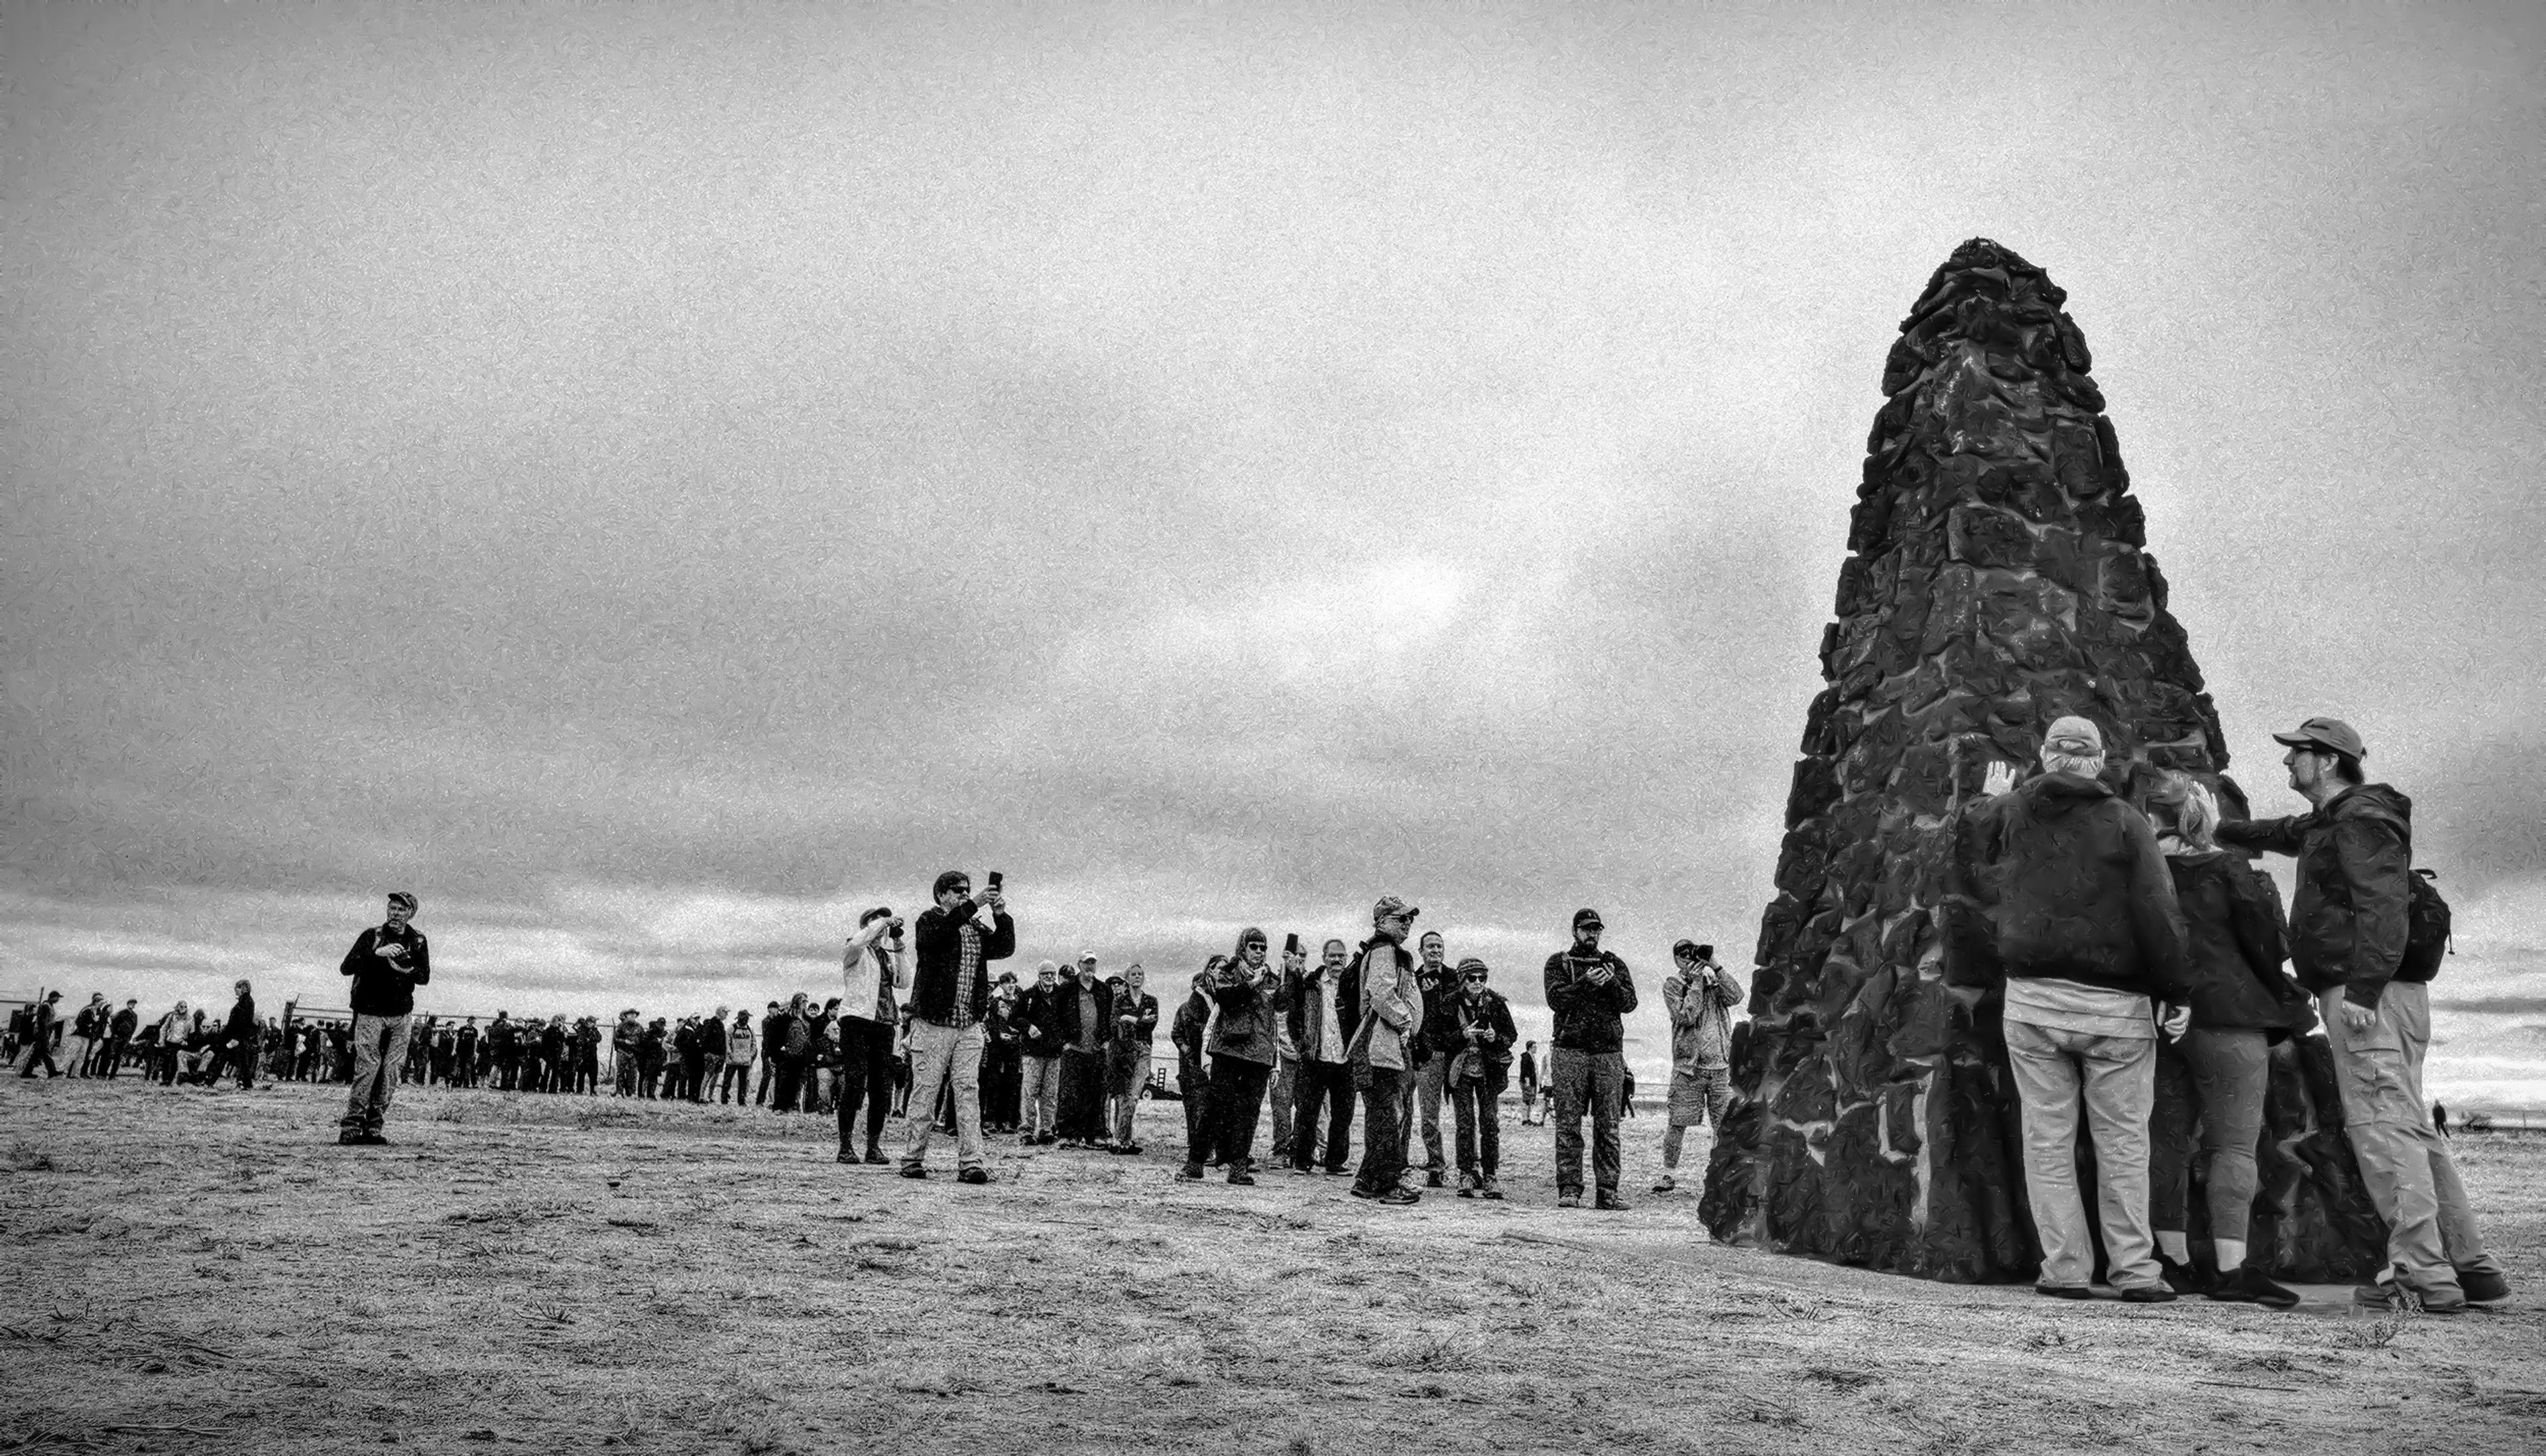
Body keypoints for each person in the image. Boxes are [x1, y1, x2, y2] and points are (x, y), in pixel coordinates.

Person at [2214, 716, 2511, 1313]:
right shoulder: (2335, 821)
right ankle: (2470, 1267)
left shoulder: (2362, 820)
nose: (2286, 763)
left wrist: (2363, 992)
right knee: (2411, 1131)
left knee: (2382, 1135)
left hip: (2369, 997)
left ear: (2326, 760)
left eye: (2295, 754)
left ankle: (2421, 1277)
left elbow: (2383, 906)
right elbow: (2282, 831)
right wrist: (2217, 825)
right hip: (2379, 995)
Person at [1959, 717, 2191, 1302]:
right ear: (2097, 762)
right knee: (2123, 1145)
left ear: (2044, 757)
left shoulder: (2011, 810)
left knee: (2047, 1140)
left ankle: (2064, 1270)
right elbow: (2158, 910)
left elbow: (1970, 849)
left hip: (2033, 1001)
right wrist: (2177, 991)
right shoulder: (2126, 822)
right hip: (2116, 1009)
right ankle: (2136, 1272)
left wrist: (1984, 800)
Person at [2139, 773, 2315, 1308]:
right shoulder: (2234, 872)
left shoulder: (2141, 876)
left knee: (2162, 1142)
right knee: (2233, 1147)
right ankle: (2231, 1269)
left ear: (2151, 820)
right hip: (2232, 1017)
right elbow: (2270, 946)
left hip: (2156, 1018)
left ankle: (2171, 1261)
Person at [901, 870, 1013, 1183]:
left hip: (969, 1024)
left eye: (967, 890)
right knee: (926, 1091)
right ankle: (912, 1158)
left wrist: (1001, 916)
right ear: (941, 894)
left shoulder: (974, 926)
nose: (965, 894)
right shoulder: (930, 921)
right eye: (957, 890)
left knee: (968, 1092)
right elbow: (934, 939)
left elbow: (1004, 948)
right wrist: (974, 905)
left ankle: (971, 1161)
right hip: (933, 1023)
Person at [1544, 908, 1638, 1211]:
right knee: (1568, 1124)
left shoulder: (1614, 963)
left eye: (1596, 929)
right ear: (1575, 931)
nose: (1592, 934)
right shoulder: (1558, 962)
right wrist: (1586, 983)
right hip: (1569, 1050)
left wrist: (1610, 983)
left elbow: (1630, 1003)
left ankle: (1607, 1192)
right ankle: (1569, 1189)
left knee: (1609, 1125)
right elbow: (1556, 1000)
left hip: (1608, 1053)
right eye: (1586, 929)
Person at [1182, 933, 1281, 1185]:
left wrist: (1292, 975)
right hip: (1228, 1052)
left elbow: (1284, 1005)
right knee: (1216, 1109)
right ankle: (1195, 1163)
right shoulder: (1227, 972)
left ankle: (1238, 1168)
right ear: (1243, 948)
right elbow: (1226, 1000)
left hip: (1259, 1055)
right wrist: (1251, 984)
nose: (1259, 951)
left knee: (1248, 1114)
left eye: (1263, 948)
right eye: (1254, 947)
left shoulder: (1273, 979)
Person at [336, 892, 431, 1146]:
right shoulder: (372, 936)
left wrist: (406, 968)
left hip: (401, 1015)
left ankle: (374, 1127)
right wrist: (378, 953)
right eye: (392, 908)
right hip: (370, 1013)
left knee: (390, 1072)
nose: (395, 913)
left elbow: (424, 977)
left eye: (401, 909)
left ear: (411, 913)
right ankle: (352, 1126)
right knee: (367, 1068)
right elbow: (346, 967)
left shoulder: (418, 941)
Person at [1349, 898, 1422, 1205]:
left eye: (1409, 920)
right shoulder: (1383, 950)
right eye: (1400, 919)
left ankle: (1368, 1180)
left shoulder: (1391, 952)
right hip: (1378, 1047)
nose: (1407, 924)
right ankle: (1389, 1183)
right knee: (1388, 1116)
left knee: (1383, 1115)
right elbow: (1380, 993)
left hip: (1386, 1048)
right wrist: (1405, 1021)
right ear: (1381, 922)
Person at [1654, 942, 1742, 1194]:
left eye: (1692, 955)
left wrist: (1715, 966)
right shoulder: (1673, 985)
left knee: (1723, 1125)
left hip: (1720, 1068)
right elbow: (1686, 1016)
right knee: (1678, 1122)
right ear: (1675, 960)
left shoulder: (1712, 981)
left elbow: (1736, 996)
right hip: (1688, 1069)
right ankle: (1669, 1175)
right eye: (1682, 956)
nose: (1688, 959)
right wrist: (1695, 984)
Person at [837, 908, 906, 1165]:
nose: (881, 930)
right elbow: (859, 940)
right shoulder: (854, 950)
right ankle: (845, 1145)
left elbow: (904, 981)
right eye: (875, 923)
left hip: (884, 1024)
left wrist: (899, 946)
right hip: (857, 1021)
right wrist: (883, 921)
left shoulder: (886, 957)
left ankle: (873, 1147)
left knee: (882, 1089)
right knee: (855, 1082)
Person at [1445, 957, 1517, 1199]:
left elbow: (1511, 1035)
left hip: (1489, 1073)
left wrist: (1495, 1037)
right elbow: (1436, 1037)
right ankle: (1466, 1173)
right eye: (1472, 978)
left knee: (1490, 1124)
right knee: (1465, 1125)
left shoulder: (1496, 1003)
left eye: (1482, 978)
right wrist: (1461, 1035)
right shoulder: (1450, 1003)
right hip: (1461, 1072)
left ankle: (1490, 1176)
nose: (1478, 982)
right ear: (1462, 980)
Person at [1286, 938, 1359, 1174]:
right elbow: (1293, 1015)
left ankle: (1335, 1162)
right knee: (1307, 1112)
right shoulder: (1310, 983)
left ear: (1346, 959)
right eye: (1332, 956)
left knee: (1343, 1114)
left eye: (1341, 956)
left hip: (1345, 1058)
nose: (1337, 960)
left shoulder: (1353, 985)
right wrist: (1302, 1047)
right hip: (1316, 1057)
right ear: (1324, 958)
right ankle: (1302, 1161)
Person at [1409, 931, 1458, 1189]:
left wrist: (1436, 995)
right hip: (1419, 1054)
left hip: (1446, 1054)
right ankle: (1423, 1165)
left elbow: (1455, 1014)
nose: (1435, 951)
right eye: (1430, 947)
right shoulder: (1413, 979)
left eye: (1439, 946)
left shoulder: (1455, 978)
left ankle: (1449, 1168)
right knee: (1416, 1114)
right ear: (1421, 951)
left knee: (1444, 1115)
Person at [1056, 955, 1113, 1148]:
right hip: (1074, 1048)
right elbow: (1055, 1017)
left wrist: (1107, 1041)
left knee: (1097, 1094)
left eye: (1093, 963)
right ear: (1079, 965)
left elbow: (1110, 1016)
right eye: (1086, 963)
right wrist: (1063, 1043)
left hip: (1097, 1049)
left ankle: (1095, 1135)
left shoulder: (1104, 989)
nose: (1090, 966)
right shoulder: (1066, 989)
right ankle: (1067, 1134)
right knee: (1069, 1093)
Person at [1108, 965, 1160, 1155]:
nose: (1137, 977)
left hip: (1144, 1049)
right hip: (1124, 1050)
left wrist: (1130, 1018)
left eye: (1140, 974)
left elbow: (1152, 1023)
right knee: (1124, 1096)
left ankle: (1117, 1140)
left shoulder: (1150, 1000)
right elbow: (1114, 1023)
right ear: (1127, 979)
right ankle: (1126, 1141)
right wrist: (1139, 1019)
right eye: (1133, 974)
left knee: (1134, 1095)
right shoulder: (1120, 1000)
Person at [1016, 962, 1068, 1144]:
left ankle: (1047, 1129)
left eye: (1052, 974)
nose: (1049, 977)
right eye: (1045, 974)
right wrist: (1028, 1027)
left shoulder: (1061, 995)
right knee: (1030, 1092)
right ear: (1039, 976)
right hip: (1033, 1052)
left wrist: (1063, 1041)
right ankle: (1027, 1131)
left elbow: (1068, 1019)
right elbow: (1015, 1017)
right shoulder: (1028, 995)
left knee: (1050, 1093)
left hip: (1054, 1053)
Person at [1172, 965, 1217, 1164]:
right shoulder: (1186, 1007)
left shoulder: (1212, 1004)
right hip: (1191, 1065)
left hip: (1201, 1063)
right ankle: (1199, 1148)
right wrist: (1186, 1050)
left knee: (1203, 1105)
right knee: (1195, 1105)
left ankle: (1204, 1148)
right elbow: (1177, 1034)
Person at [981, 972, 1024, 1133]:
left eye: (1013, 982)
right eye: (1007, 983)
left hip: (1015, 1049)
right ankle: (991, 1120)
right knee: (994, 1083)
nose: (1011, 985)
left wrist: (1019, 1033)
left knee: (1012, 1084)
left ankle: (1009, 1121)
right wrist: (998, 1034)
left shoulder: (1021, 1003)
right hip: (997, 1049)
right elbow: (990, 1024)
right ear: (1001, 985)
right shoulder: (995, 1003)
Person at [219, 981, 260, 1089]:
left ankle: (209, 1080)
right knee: (243, 1061)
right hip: (240, 1037)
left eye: (237, 988)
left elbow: (242, 1022)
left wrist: (236, 1037)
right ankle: (245, 1083)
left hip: (239, 1037)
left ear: (243, 988)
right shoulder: (246, 1001)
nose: (235, 991)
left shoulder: (245, 1002)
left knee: (238, 1060)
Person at [17, 991, 64, 1079]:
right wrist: (44, 1034)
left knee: (37, 1054)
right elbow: (42, 1021)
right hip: (42, 1033)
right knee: (46, 1052)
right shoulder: (46, 1006)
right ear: (53, 997)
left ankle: (27, 1072)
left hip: (44, 1033)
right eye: (57, 998)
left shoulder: (49, 1006)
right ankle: (52, 1071)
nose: (58, 1000)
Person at [721, 1010, 756, 1103]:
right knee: (728, 1081)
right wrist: (730, 1053)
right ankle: (724, 1099)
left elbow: (754, 1043)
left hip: (745, 1061)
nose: (745, 1019)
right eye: (744, 1017)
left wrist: (751, 1055)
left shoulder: (750, 1029)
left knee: (743, 1082)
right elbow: (727, 1043)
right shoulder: (731, 1028)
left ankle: (742, 1101)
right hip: (732, 1060)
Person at [152, 1001, 190, 1085]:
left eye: (185, 1007)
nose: (183, 1009)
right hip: (170, 1042)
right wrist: (162, 1041)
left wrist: (186, 1041)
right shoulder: (172, 1017)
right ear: (177, 1007)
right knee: (167, 1062)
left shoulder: (189, 1019)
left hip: (180, 1044)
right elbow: (163, 1029)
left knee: (175, 1064)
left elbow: (191, 1032)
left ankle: (169, 1081)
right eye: (181, 1007)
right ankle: (165, 1080)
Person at [104, 1000, 139, 1080]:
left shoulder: (134, 1016)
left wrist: (129, 1037)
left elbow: (134, 1027)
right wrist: (115, 1034)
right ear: (128, 1004)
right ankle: (104, 1074)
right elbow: (115, 1024)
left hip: (125, 1038)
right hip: (118, 1037)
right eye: (131, 1004)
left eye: (134, 1004)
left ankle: (112, 1076)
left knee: (118, 1057)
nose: (132, 1005)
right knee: (110, 1055)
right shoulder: (122, 1013)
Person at [1518, 1042, 1540, 1124]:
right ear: (1530, 1048)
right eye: (1534, 1047)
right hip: (1528, 1081)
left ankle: (1528, 1118)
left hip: (1532, 1081)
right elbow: (1524, 1070)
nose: (1536, 1049)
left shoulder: (1531, 1057)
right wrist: (1527, 1081)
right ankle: (1525, 1119)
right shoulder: (1526, 1057)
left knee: (1530, 1100)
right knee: (1527, 1100)